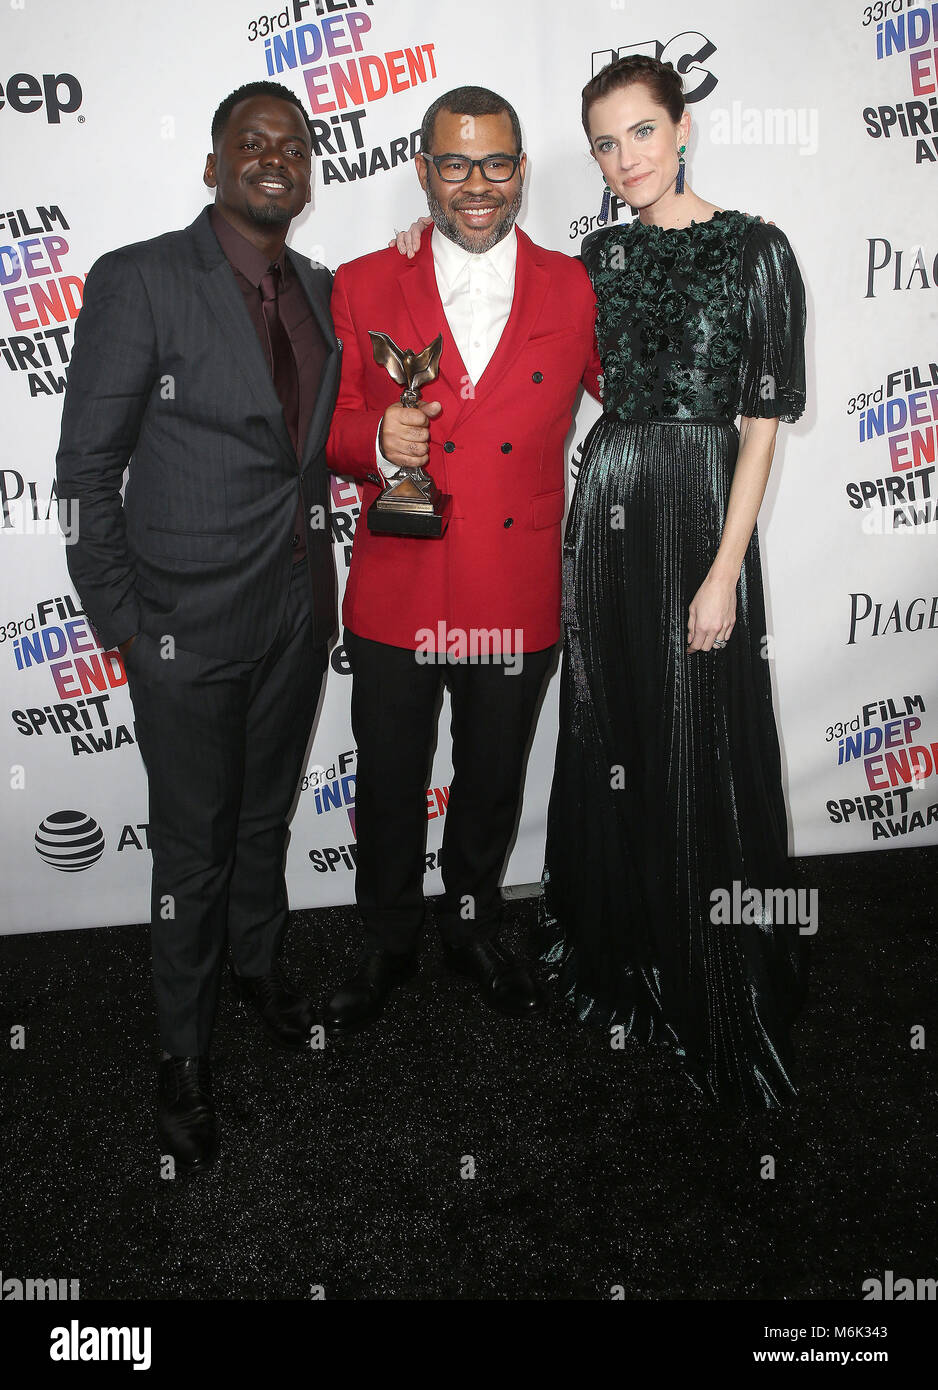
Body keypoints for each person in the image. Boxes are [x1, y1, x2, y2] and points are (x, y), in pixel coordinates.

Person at [56, 81, 341, 1174]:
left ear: (308, 173)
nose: (273, 157)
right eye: (250, 142)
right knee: (190, 850)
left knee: (264, 818)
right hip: (180, 630)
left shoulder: (315, 289)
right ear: (214, 165)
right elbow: (84, 477)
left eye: (291, 144)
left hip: (291, 617)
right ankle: (181, 1057)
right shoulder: (139, 279)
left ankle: (261, 967)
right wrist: (128, 623)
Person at [540, 55, 808, 1109]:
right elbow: (522, 317)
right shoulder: (596, 257)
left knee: (700, 732)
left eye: (638, 133)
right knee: (619, 728)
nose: (623, 159)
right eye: (605, 143)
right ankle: (628, 956)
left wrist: (725, 564)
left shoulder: (755, 250)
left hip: (701, 508)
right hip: (608, 504)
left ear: (681, 126)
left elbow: (760, 420)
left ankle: (718, 982)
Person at [324, 86, 600, 1032]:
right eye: (454, 163)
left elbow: (647, 394)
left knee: (491, 778)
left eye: (494, 164)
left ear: (521, 171)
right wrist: (374, 439)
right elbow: (324, 423)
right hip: (401, 586)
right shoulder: (361, 281)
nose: (474, 184)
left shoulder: (576, 284)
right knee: (391, 777)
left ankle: (473, 926)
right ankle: (387, 937)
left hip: (515, 590)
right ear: (423, 172)